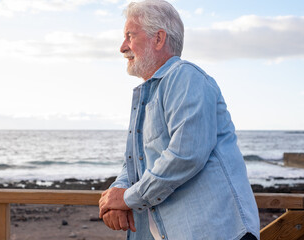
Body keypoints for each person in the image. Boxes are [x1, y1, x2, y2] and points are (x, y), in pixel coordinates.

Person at [98, 0, 260, 239]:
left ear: (158, 38)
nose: (122, 47)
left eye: (129, 36)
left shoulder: (185, 77)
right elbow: (134, 163)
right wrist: (115, 195)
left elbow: (185, 155)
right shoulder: (149, 94)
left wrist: (127, 198)